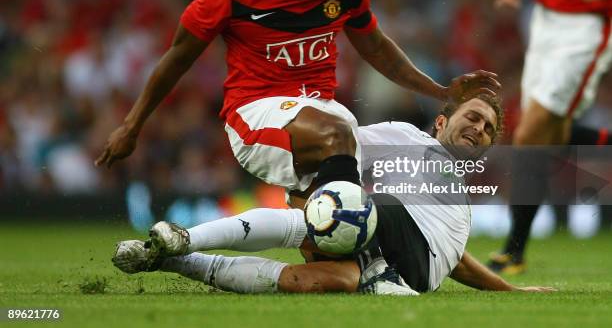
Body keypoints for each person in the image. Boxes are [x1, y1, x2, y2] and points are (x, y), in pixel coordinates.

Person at [95, 0, 499, 208]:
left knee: (332, 214)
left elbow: (376, 47)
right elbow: (177, 58)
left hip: (319, 110)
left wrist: (440, 90)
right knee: (339, 140)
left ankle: (196, 254)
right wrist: (132, 126)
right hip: (255, 112)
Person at [112, 96, 554, 295]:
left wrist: (509, 291)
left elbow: (454, 260)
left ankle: (172, 259)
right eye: (472, 117)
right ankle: (183, 238)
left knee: (328, 281)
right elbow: (337, 148)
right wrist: (313, 196)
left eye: (488, 129)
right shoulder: (405, 138)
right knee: (353, 211)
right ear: (441, 124)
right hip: (384, 231)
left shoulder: (461, 204)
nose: (479, 129)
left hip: (412, 272)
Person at [491, 0, 612, 274]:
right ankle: (516, 249)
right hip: (546, 20)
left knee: (530, 131)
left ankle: (513, 251)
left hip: (590, 27)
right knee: (551, 135)